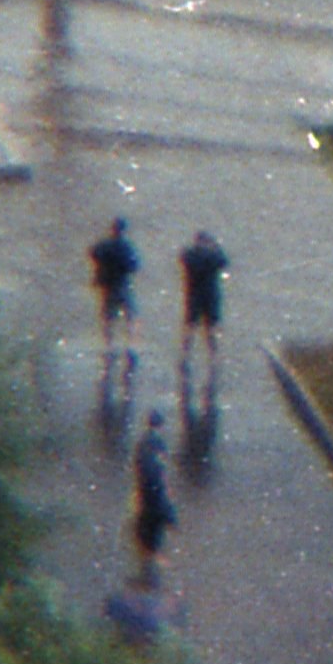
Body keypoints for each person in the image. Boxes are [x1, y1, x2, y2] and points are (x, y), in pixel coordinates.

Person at [177, 229, 231, 386]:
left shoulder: (190, 254)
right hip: (210, 296)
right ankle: (213, 357)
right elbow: (223, 262)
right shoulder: (212, 256)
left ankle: (186, 354)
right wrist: (216, 247)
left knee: (190, 327)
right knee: (211, 328)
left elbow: (183, 259)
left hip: (193, 295)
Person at [129, 408, 178, 575]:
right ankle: (152, 555)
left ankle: (148, 553)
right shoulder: (158, 444)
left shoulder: (142, 442)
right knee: (155, 520)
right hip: (153, 490)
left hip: (144, 489)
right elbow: (159, 470)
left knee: (146, 519)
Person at [89, 217, 142, 360]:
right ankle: (131, 346)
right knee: (131, 315)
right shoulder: (126, 246)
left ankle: (109, 346)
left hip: (108, 285)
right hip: (122, 284)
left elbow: (93, 253)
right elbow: (134, 266)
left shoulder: (104, 245)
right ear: (124, 230)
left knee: (109, 317)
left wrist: (104, 269)